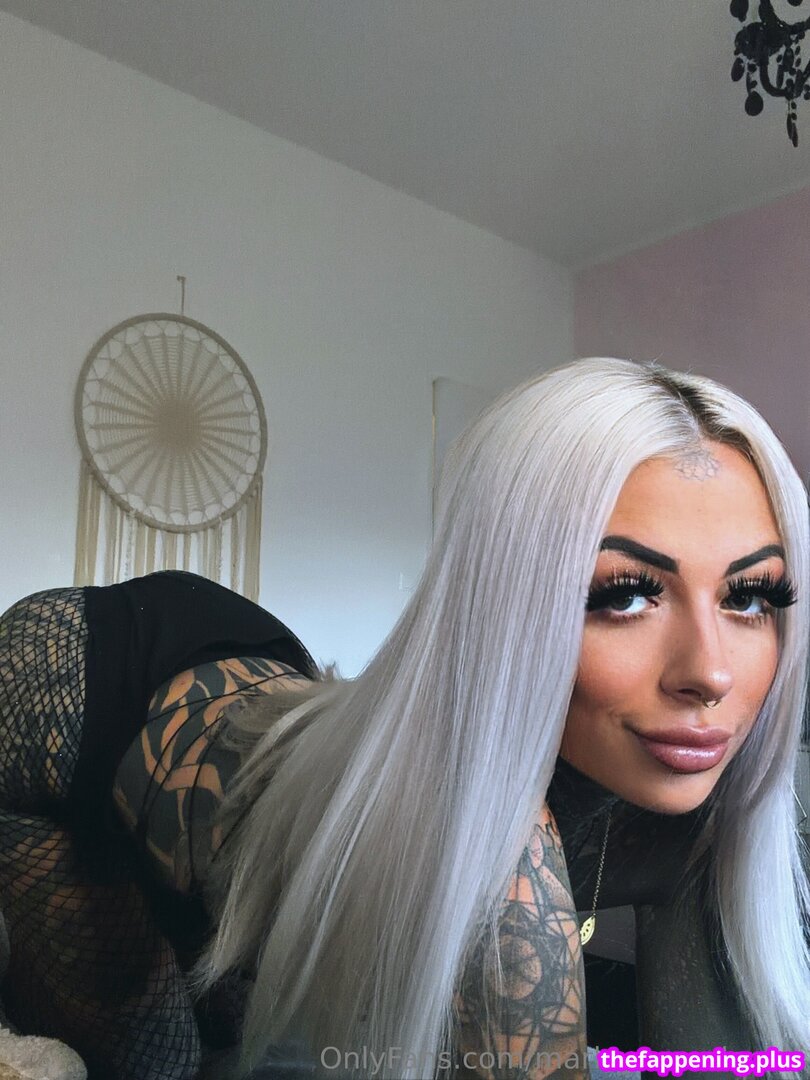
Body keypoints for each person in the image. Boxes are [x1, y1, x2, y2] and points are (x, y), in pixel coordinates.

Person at [0, 356, 807, 1080]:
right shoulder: (498, 859)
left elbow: (717, 1059)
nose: (711, 674)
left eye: (751, 596)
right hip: (65, 687)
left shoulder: (715, 817)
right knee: (161, 1059)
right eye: (623, 594)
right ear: (502, 606)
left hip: (257, 676)